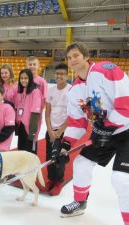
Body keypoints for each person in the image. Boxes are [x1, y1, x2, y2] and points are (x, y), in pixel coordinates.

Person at [54, 42, 129, 224]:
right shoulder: (75, 90)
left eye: (76, 55)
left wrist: (107, 126)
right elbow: (77, 122)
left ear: (86, 56)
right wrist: (64, 144)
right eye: (69, 58)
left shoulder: (106, 70)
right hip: (107, 130)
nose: (72, 60)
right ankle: (80, 203)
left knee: (122, 179)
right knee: (81, 163)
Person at [45, 63, 71, 196]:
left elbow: (72, 114)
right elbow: (47, 112)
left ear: (67, 75)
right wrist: (49, 130)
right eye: (57, 73)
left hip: (64, 131)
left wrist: (60, 131)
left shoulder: (71, 90)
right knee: (49, 156)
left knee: (59, 157)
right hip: (51, 129)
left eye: (62, 74)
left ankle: (58, 181)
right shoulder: (51, 90)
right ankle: (51, 179)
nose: (59, 76)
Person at [14, 69, 43, 154]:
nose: (23, 80)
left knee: (31, 155)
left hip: (30, 128)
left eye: (26, 78)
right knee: (21, 153)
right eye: (21, 78)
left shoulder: (35, 92)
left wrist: (32, 132)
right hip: (21, 127)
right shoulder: (20, 91)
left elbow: (35, 113)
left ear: (30, 78)